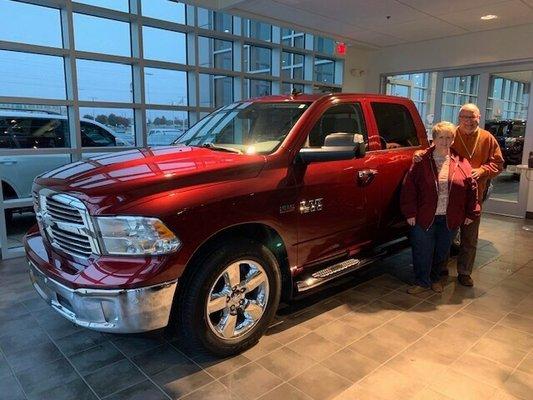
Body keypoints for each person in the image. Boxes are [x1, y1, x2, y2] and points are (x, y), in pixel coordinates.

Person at [414, 104, 504, 286]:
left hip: (474, 194)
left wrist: (483, 170)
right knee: (446, 235)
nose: (469, 121)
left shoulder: (488, 138)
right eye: (465, 117)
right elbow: (434, 149)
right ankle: (442, 269)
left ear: (479, 117)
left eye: (472, 117)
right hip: (449, 197)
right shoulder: (450, 133)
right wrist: (419, 153)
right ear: (459, 118)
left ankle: (464, 272)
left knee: (469, 237)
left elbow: (498, 164)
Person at [401, 122, 480, 294]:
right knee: (422, 251)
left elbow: (472, 188)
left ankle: (435, 279)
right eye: (441, 137)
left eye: (449, 137)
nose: (445, 141)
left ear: (453, 139)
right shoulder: (421, 160)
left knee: (442, 252)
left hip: (449, 217)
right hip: (424, 216)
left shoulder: (461, 162)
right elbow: (409, 188)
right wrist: (410, 212)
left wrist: (471, 212)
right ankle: (422, 282)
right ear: (434, 139)